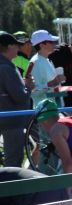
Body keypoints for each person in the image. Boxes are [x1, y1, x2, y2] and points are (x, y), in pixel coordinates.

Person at [0, 32, 30, 168]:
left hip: (6, 117)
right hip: (12, 121)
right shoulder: (6, 68)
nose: (19, 48)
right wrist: (28, 87)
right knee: (13, 162)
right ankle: (11, 182)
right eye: (17, 45)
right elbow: (20, 97)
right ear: (9, 46)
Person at [26, 30, 65, 107]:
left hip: (51, 108)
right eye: (50, 42)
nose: (54, 44)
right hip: (43, 110)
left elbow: (49, 90)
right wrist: (53, 83)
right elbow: (33, 92)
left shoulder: (47, 60)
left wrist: (63, 93)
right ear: (41, 45)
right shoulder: (35, 62)